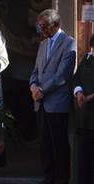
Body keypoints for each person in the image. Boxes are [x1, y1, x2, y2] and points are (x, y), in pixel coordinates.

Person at [29, 9, 76, 184]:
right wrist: (33, 86)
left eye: (44, 26)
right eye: (39, 26)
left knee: (59, 144)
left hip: (57, 103)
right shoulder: (42, 45)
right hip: (40, 102)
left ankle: (62, 179)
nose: (41, 30)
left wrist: (41, 90)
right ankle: (48, 177)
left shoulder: (69, 43)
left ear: (56, 25)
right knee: (45, 144)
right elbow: (35, 72)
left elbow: (62, 75)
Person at [72, 34, 94, 184]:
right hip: (85, 119)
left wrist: (89, 97)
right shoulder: (87, 58)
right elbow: (77, 78)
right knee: (84, 157)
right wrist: (79, 92)